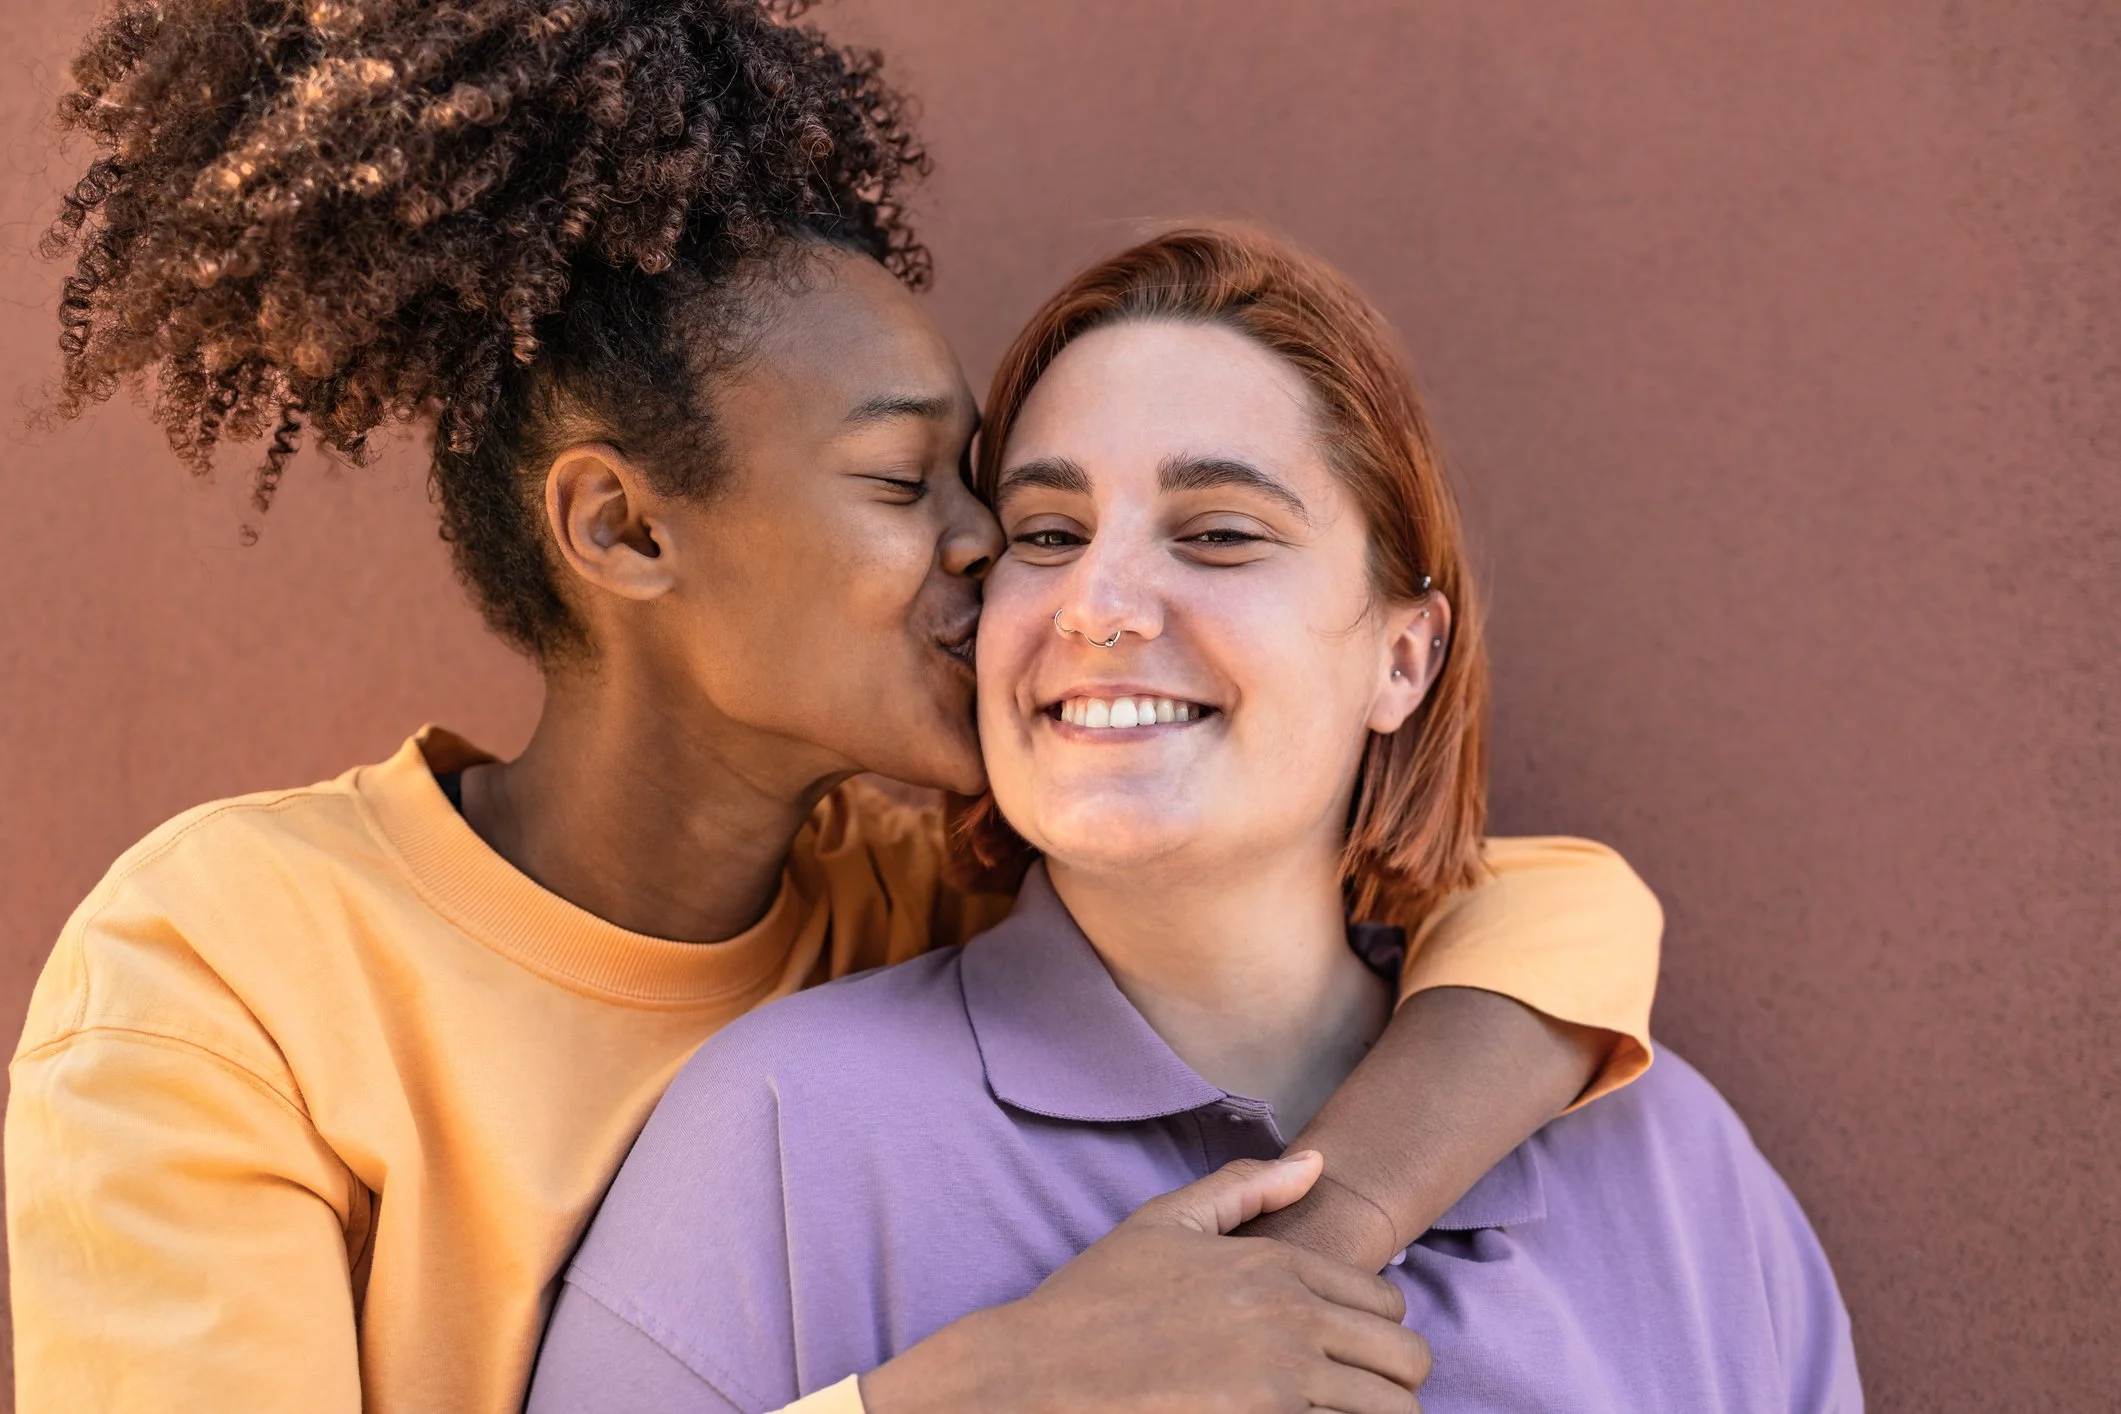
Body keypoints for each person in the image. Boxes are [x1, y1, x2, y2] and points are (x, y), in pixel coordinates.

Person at [10, 6, 1661, 1414]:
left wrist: (1316, 1245)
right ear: (626, 529)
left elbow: (1549, 908)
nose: (989, 551)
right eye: (898, 481)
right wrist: (990, 1386)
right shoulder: (224, 973)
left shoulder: (912, 889)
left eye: (980, 486)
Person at [527, 225, 1863, 1414]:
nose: (1098, 602)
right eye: (1043, 530)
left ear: (1404, 655)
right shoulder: (781, 1135)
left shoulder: (1673, 1167)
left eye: (1219, 533)